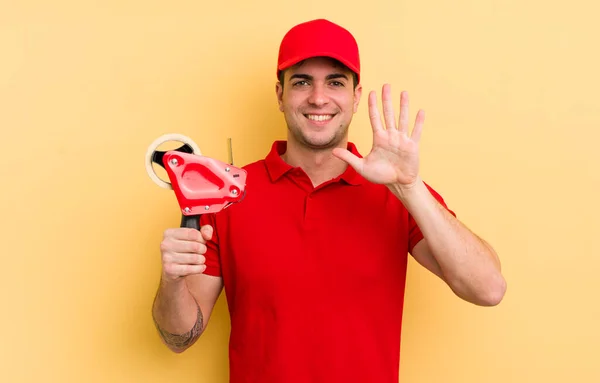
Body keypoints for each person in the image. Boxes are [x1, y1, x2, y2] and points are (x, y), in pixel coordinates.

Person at [151, 18, 506, 383]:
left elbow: (489, 289)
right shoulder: (228, 195)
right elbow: (179, 337)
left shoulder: (398, 192)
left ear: (355, 96)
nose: (318, 98)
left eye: (335, 82)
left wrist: (411, 187)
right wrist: (172, 280)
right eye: (302, 82)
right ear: (279, 94)